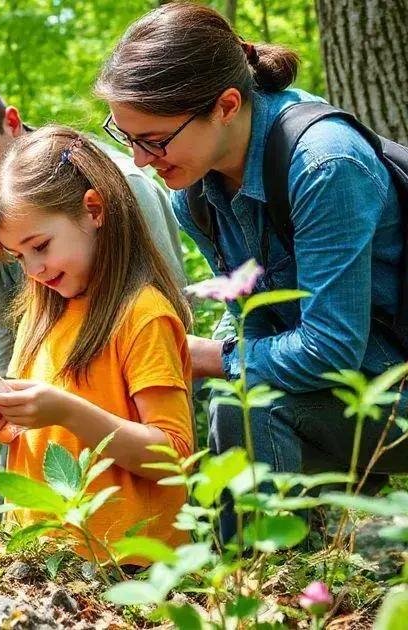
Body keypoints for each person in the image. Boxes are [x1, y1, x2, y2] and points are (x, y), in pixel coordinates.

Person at [95, 2, 407, 486]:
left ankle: (269, 562)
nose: (139, 160)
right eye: (127, 137)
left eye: (153, 139)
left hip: (388, 380)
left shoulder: (324, 166)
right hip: (346, 383)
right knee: (229, 399)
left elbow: (331, 349)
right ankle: (267, 552)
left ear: (226, 106)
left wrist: (212, 357)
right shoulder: (196, 190)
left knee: (252, 410)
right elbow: (249, 311)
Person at [0, 126, 194, 552]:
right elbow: (43, 435)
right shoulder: (41, 311)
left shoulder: (143, 315)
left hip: (129, 563)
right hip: (44, 555)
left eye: (41, 246)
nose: (33, 269)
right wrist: (6, 423)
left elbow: (174, 456)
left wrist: (67, 412)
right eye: (18, 256)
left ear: (94, 209)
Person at [0, 71, 185, 377]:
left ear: (11, 123)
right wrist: (11, 399)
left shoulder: (121, 183)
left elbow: (170, 299)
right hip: (56, 375)